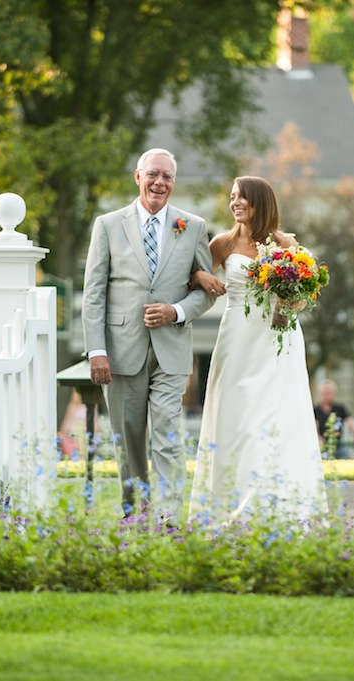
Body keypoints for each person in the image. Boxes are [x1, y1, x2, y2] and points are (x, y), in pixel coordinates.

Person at [82, 148, 216, 522]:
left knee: (168, 433)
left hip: (171, 350)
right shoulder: (108, 225)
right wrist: (96, 351)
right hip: (121, 351)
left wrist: (177, 311)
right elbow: (94, 293)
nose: (160, 182)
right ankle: (135, 516)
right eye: (153, 174)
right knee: (129, 441)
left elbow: (204, 290)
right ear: (138, 177)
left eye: (168, 177)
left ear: (174, 182)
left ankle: (170, 518)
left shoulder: (193, 226)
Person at [188, 176, 328, 526]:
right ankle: (227, 507)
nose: (235, 203)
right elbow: (190, 276)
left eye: (243, 198)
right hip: (236, 337)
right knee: (235, 416)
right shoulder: (221, 243)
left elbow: (306, 292)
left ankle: (282, 505)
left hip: (278, 339)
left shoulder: (286, 243)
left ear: (260, 202)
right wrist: (201, 277)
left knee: (279, 415)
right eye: (233, 198)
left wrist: (288, 306)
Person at [314, 379, 354, 459]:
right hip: (322, 446)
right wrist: (318, 438)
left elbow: (350, 424)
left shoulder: (340, 409)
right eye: (325, 393)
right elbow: (314, 428)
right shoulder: (316, 410)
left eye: (330, 393)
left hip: (338, 446)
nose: (327, 396)